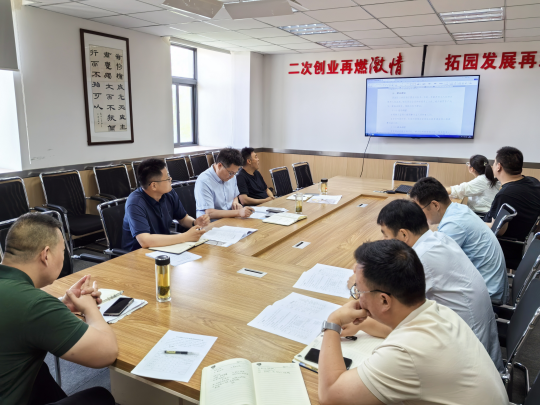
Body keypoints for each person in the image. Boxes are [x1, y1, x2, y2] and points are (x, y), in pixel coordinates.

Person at [318, 239, 508, 405]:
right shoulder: (438, 311)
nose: (358, 298)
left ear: (384, 300)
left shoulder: (405, 353)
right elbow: (395, 331)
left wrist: (333, 322)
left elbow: (330, 395)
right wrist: (365, 323)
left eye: (359, 290)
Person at [0, 213, 118, 405]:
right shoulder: (34, 304)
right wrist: (90, 308)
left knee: (39, 372)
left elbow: (16, 315)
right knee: (100, 397)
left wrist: (60, 304)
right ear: (46, 255)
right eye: (63, 251)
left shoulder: (18, 295)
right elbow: (107, 352)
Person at [373, 199, 503, 371]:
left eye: (385, 235)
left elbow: (393, 314)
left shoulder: (421, 258)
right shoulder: (438, 238)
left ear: (403, 235)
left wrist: (364, 281)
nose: (384, 241)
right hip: (474, 336)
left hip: (466, 355)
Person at [410, 177, 508, 304]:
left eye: (419, 209)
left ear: (435, 205)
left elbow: (431, 263)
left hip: (488, 296)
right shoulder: (458, 209)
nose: (418, 214)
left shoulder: (454, 225)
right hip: (489, 285)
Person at [122, 158, 210, 251]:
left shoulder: (169, 193)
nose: (171, 180)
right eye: (167, 178)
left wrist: (195, 223)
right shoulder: (135, 203)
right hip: (137, 253)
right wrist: (185, 237)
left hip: (163, 247)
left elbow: (183, 218)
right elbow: (145, 241)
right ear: (154, 185)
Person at [486, 146, 540, 269]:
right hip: (523, 245)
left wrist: (473, 222)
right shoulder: (534, 182)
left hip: (504, 248)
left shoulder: (505, 194)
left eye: (494, 163)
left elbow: (498, 230)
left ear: (499, 166)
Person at [195, 147, 254, 220]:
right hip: (211, 223)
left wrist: (235, 202)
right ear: (220, 166)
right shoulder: (204, 181)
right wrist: (238, 212)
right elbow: (210, 213)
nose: (232, 176)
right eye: (231, 173)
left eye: (235, 173)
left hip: (230, 218)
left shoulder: (232, 175)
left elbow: (235, 195)